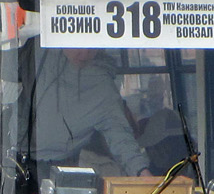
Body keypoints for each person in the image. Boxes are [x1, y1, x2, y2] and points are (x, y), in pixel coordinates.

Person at [30, 48, 150, 177]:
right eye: (77, 45)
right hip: (12, 160)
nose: (85, 53)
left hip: (60, 169)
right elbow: (8, 68)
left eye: (91, 48)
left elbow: (120, 135)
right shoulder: (37, 55)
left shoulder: (102, 87)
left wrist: (141, 171)